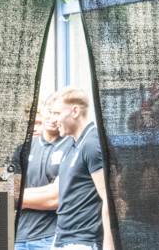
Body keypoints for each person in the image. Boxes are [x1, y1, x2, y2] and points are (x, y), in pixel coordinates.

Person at [50, 87, 113, 250]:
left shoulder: (92, 143)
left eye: (57, 113)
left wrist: (108, 246)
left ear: (75, 111)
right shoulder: (70, 145)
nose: (54, 120)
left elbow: (109, 198)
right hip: (61, 240)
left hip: (83, 241)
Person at [11, 93, 74, 250]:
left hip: (52, 238)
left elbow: (56, 198)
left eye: (58, 113)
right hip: (18, 237)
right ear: (43, 111)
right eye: (50, 112)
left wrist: (19, 197)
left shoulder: (73, 146)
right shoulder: (23, 149)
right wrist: (43, 194)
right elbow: (9, 194)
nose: (53, 118)